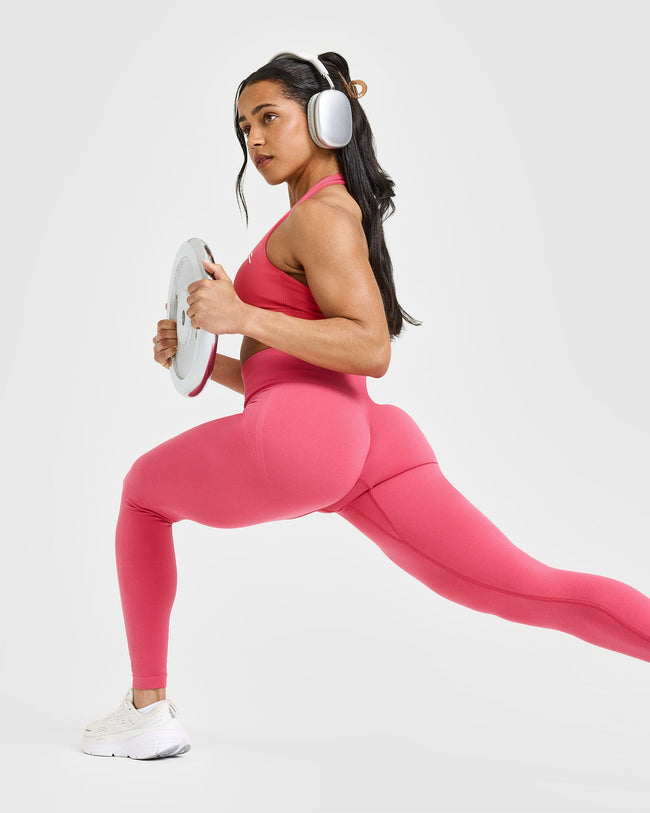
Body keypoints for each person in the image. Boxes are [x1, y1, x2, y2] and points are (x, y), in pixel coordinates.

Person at [81, 51, 650, 760]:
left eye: (269, 117)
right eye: (243, 126)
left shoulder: (321, 217)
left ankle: (147, 709)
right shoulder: (324, 213)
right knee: (528, 588)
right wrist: (199, 355)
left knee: (142, 495)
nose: (254, 138)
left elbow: (370, 346)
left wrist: (244, 315)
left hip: (306, 440)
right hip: (363, 439)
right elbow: (288, 373)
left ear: (326, 120)